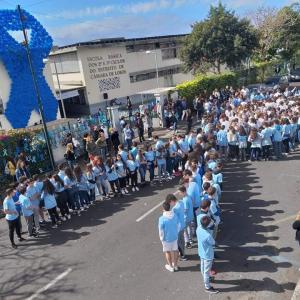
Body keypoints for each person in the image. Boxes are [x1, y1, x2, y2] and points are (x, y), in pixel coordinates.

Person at [197, 216, 219, 294]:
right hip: (207, 254)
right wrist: (216, 244)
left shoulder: (198, 228)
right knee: (207, 271)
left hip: (201, 251)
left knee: (203, 268)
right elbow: (213, 243)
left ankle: (206, 279)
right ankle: (207, 287)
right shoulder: (207, 235)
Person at [158, 201, 179, 272]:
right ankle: (175, 265)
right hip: (175, 237)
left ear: (163, 209)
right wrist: (176, 233)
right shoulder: (175, 215)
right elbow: (178, 225)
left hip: (166, 239)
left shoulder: (161, 219)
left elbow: (161, 230)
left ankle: (171, 267)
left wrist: (161, 238)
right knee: (176, 250)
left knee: (167, 252)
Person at [167, 193, 187, 261]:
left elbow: (173, 219)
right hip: (183, 224)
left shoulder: (175, 209)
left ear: (172, 201)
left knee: (178, 243)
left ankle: (182, 255)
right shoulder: (181, 202)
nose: (170, 204)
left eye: (170, 202)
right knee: (182, 240)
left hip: (178, 228)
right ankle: (183, 253)